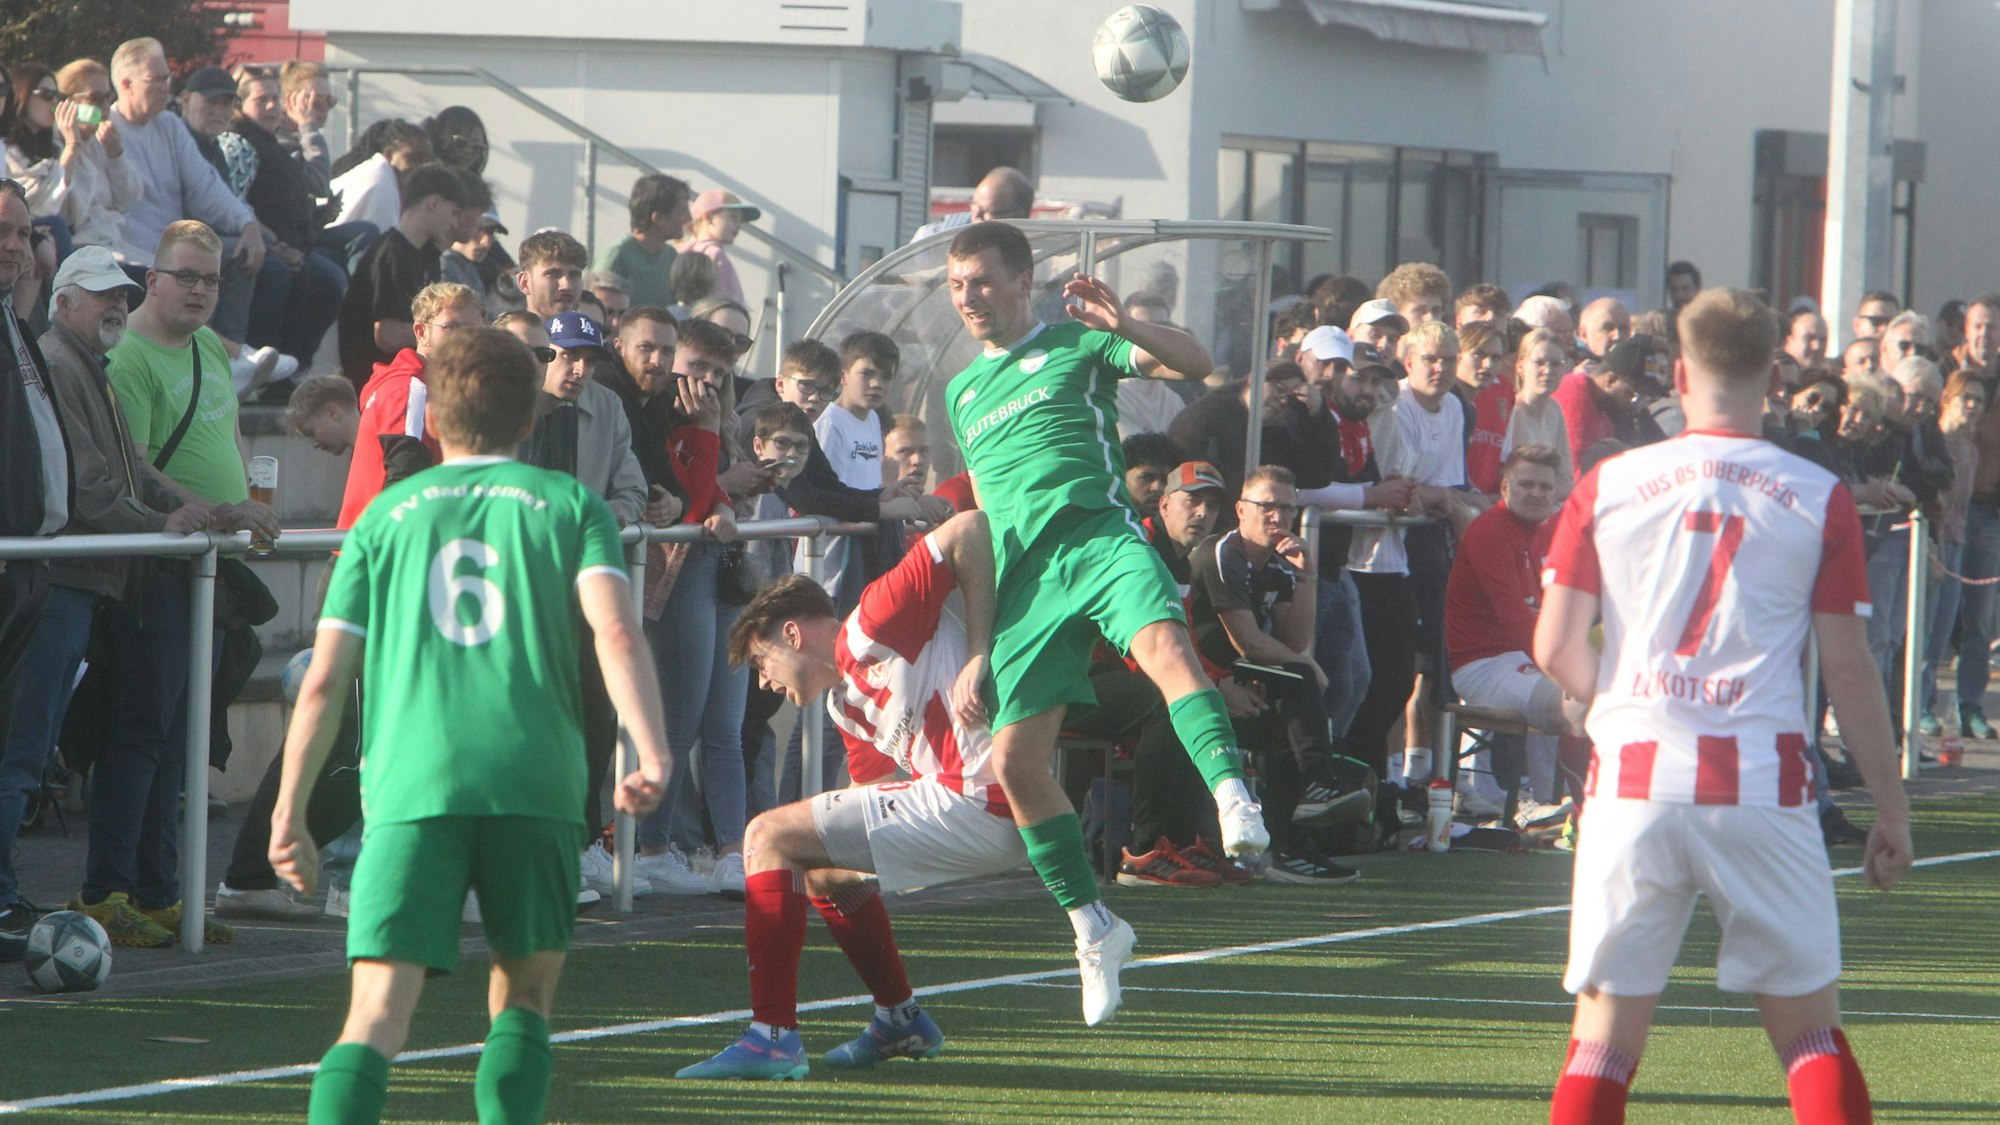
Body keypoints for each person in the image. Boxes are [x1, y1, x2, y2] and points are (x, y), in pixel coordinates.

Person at [270, 327, 669, 1125]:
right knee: (523, 997)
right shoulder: (569, 506)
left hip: (413, 784)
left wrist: (289, 811)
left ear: (436, 420)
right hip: (537, 778)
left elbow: (323, 678)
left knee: (377, 1012)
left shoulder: (386, 517)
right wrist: (650, 747)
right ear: (531, 420)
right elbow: (617, 632)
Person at [1534, 286, 1912, 1124]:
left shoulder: (1610, 483)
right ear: (1774, 376)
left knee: (1602, 1036)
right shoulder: (1818, 494)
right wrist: (1890, 807)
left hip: (1634, 782)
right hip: (1760, 783)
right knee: (1811, 1034)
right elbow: (1848, 672)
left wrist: (1627, 697)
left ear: (1677, 371)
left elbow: (1555, 648)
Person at [941, 220, 1269, 1026]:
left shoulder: (1077, 345)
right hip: (1025, 581)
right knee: (1016, 761)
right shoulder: (961, 392)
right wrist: (978, 647)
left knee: (1163, 648)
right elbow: (983, 517)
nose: (969, 298)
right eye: (957, 286)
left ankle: (1234, 798)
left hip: (1096, 534)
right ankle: (1096, 926)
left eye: (982, 280)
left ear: (1023, 281)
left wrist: (1122, 323)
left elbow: (1194, 362)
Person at [675, 511, 1020, 1079]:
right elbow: (869, 802)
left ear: (792, 634)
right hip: (976, 807)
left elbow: (970, 528)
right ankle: (900, 1017)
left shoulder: (870, 624)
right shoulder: (844, 705)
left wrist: (978, 651)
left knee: (763, 835)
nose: (764, 683)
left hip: (984, 796)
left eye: (762, 663)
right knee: (822, 868)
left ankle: (772, 1038)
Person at [91, 221, 281, 944]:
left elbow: (228, 440)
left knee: (178, 734)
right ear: (154, 279)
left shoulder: (206, 345)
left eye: (211, 279)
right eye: (188, 276)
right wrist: (213, 508)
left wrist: (248, 503)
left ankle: (161, 890)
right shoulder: (131, 356)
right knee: (140, 728)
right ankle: (108, 889)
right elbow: (133, 464)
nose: (201, 290)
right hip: (158, 564)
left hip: (208, 560)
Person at [1189, 465, 1373, 883]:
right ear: (1241, 509)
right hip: (1200, 676)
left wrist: (1306, 573)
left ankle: (1289, 844)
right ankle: (1318, 786)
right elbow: (1247, 642)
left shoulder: (1277, 564)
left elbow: (1293, 640)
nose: (1279, 518)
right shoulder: (1223, 553)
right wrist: (1306, 665)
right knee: (1300, 683)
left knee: (1292, 705)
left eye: (1287, 509)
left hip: (1241, 675)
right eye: (1267, 507)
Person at [0, 201, 81, 954]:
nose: (17, 248)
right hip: (10, 559)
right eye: (3, 233)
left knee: (16, 745)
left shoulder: (18, 328)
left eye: (24, 233)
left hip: (30, 564)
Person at [1443, 444, 1585, 818]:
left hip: (1528, 656)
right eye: (1526, 485)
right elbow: (1514, 618)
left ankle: (1550, 805)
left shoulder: (1547, 531)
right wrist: (1568, 666)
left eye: (1545, 486)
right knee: (1578, 705)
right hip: (1485, 664)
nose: (1536, 493)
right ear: (1504, 489)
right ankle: (1577, 813)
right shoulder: (1489, 531)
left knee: (1598, 696)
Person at [108, 38, 272, 347]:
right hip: (126, 245)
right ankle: (225, 355)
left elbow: (205, 185)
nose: (165, 87)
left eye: (167, 79)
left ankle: (231, 361)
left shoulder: (169, 125)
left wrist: (246, 223)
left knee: (239, 251)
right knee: (191, 268)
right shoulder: (105, 128)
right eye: (155, 80)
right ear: (126, 83)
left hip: (171, 241)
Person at [337, 164, 465, 387]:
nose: (455, 223)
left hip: (408, 381)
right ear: (434, 203)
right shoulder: (390, 254)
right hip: (376, 385)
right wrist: (453, 332)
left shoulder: (427, 257)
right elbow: (387, 336)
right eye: (454, 212)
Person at [595, 173, 689, 308]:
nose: (688, 219)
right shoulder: (617, 255)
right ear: (658, 218)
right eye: (682, 211)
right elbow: (596, 308)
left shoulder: (671, 256)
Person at [327, 119, 433, 236]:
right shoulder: (381, 184)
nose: (419, 166)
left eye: (426, 161)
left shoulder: (378, 173)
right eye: (413, 158)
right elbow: (381, 246)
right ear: (388, 154)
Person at [911, 165, 1034, 242]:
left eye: (988, 212)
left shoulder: (1041, 250)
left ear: (1019, 215)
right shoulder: (935, 239)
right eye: (974, 205)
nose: (976, 216)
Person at [683, 189, 760, 306]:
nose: (738, 225)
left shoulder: (682, 253)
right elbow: (726, 303)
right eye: (733, 217)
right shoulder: (715, 254)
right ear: (708, 217)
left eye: (740, 221)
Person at [284, 373, 360, 457]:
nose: (314, 444)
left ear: (332, 412)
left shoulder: (374, 452)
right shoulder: (363, 456)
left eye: (311, 432)